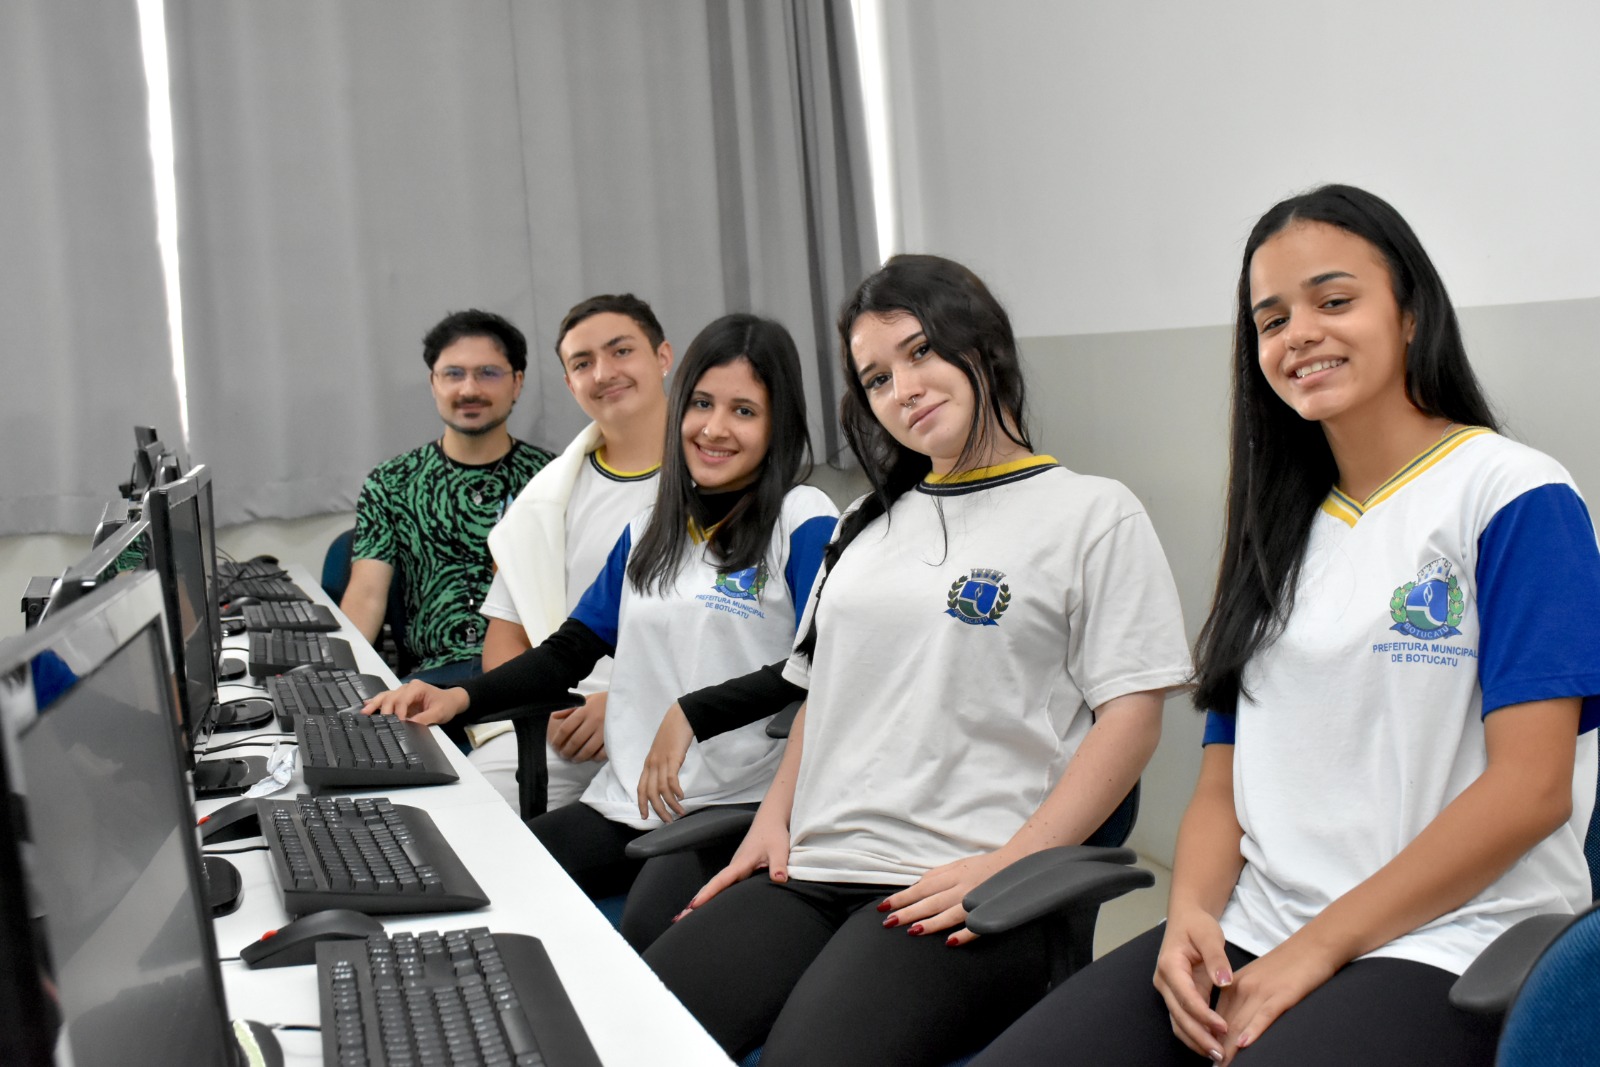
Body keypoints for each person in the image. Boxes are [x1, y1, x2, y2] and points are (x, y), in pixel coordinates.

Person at [975, 185, 1600, 1067]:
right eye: (1271, 320)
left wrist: (1319, 947)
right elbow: (1225, 779)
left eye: (1334, 301)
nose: (1299, 333)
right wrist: (1190, 916)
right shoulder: (1278, 528)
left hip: (1443, 942)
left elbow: (1532, 788)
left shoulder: (1513, 495)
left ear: (1412, 313)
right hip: (1257, 926)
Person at [640, 254, 1192, 1066]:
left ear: (984, 346)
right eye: (875, 377)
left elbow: (1133, 719)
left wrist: (1013, 863)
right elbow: (823, 693)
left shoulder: (1092, 513)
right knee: (638, 1030)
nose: (903, 386)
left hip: (955, 885)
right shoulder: (863, 520)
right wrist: (770, 822)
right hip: (813, 869)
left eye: (922, 350)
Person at [364, 313, 839, 951]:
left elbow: (822, 663)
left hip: (739, 803)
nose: (714, 428)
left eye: (744, 411)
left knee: (644, 936)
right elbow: (569, 651)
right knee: (488, 878)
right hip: (629, 799)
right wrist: (460, 698)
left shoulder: (803, 518)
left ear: (779, 423)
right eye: (701, 403)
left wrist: (692, 714)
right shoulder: (649, 525)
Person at [469, 294, 673, 814]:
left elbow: (747, 638)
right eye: (583, 363)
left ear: (663, 358)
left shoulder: (718, 476)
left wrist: (626, 709)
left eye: (621, 351)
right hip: (563, 726)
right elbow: (507, 634)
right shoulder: (548, 498)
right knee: (462, 819)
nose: (604, 372)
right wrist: (545, 710)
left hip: (684, 727)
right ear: (569, 384)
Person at [341, 309, 553, 688]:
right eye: (453, 374)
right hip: (428, 683)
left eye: (488, 373)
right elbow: (367, 596)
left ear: (517, 383)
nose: (469, 390)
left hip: (529, 677)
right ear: (433, 383)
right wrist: (340, 687)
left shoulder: (552, 479)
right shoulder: (392, 482)